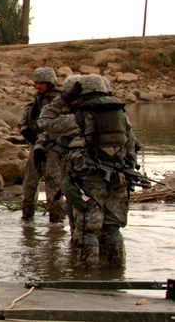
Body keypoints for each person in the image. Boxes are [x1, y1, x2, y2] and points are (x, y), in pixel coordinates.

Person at [47, 75, 137, 268]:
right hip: (118, 181)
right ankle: (116, 276)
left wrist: (62, 99)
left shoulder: (79, 119)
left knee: (88, 232)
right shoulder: (123, 117)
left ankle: (87, 278)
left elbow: (45, 122)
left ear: (82, 94)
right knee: (112, 230)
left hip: (89, 184)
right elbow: (131, 153)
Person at [37, 74, 82, 237]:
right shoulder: (114, 118)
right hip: (97, 175)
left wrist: (62, 99)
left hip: (78, 170)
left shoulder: (75, 119)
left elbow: (44, 122)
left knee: (76, 211)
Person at [18, 67, 64, 221]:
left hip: (52, 147)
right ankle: (27, 218)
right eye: (36, 83)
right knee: (29, 183)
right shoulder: (37, 98)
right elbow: (26, 115)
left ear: (50, 83)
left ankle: (56, 223)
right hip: (35, 144)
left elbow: (58, 124)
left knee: (54, 184)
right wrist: (25, 129)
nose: (38, 86)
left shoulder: (59, 100)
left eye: (41, 83)